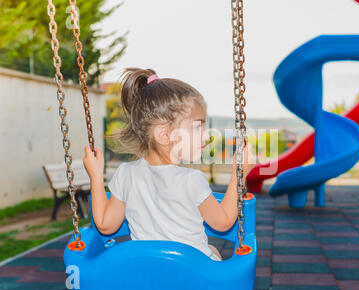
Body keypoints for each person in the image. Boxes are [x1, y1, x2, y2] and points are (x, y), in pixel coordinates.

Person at [83, 68, 254, 261]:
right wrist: (238, 175)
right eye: (197, 127)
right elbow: (223, 222)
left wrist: (96, 176)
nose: (206, 136)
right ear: (165, 134)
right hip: (192, 276)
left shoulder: (125, 174)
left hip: (149, 274)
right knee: (213, 252)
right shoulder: (192, 180)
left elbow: (106, 225)